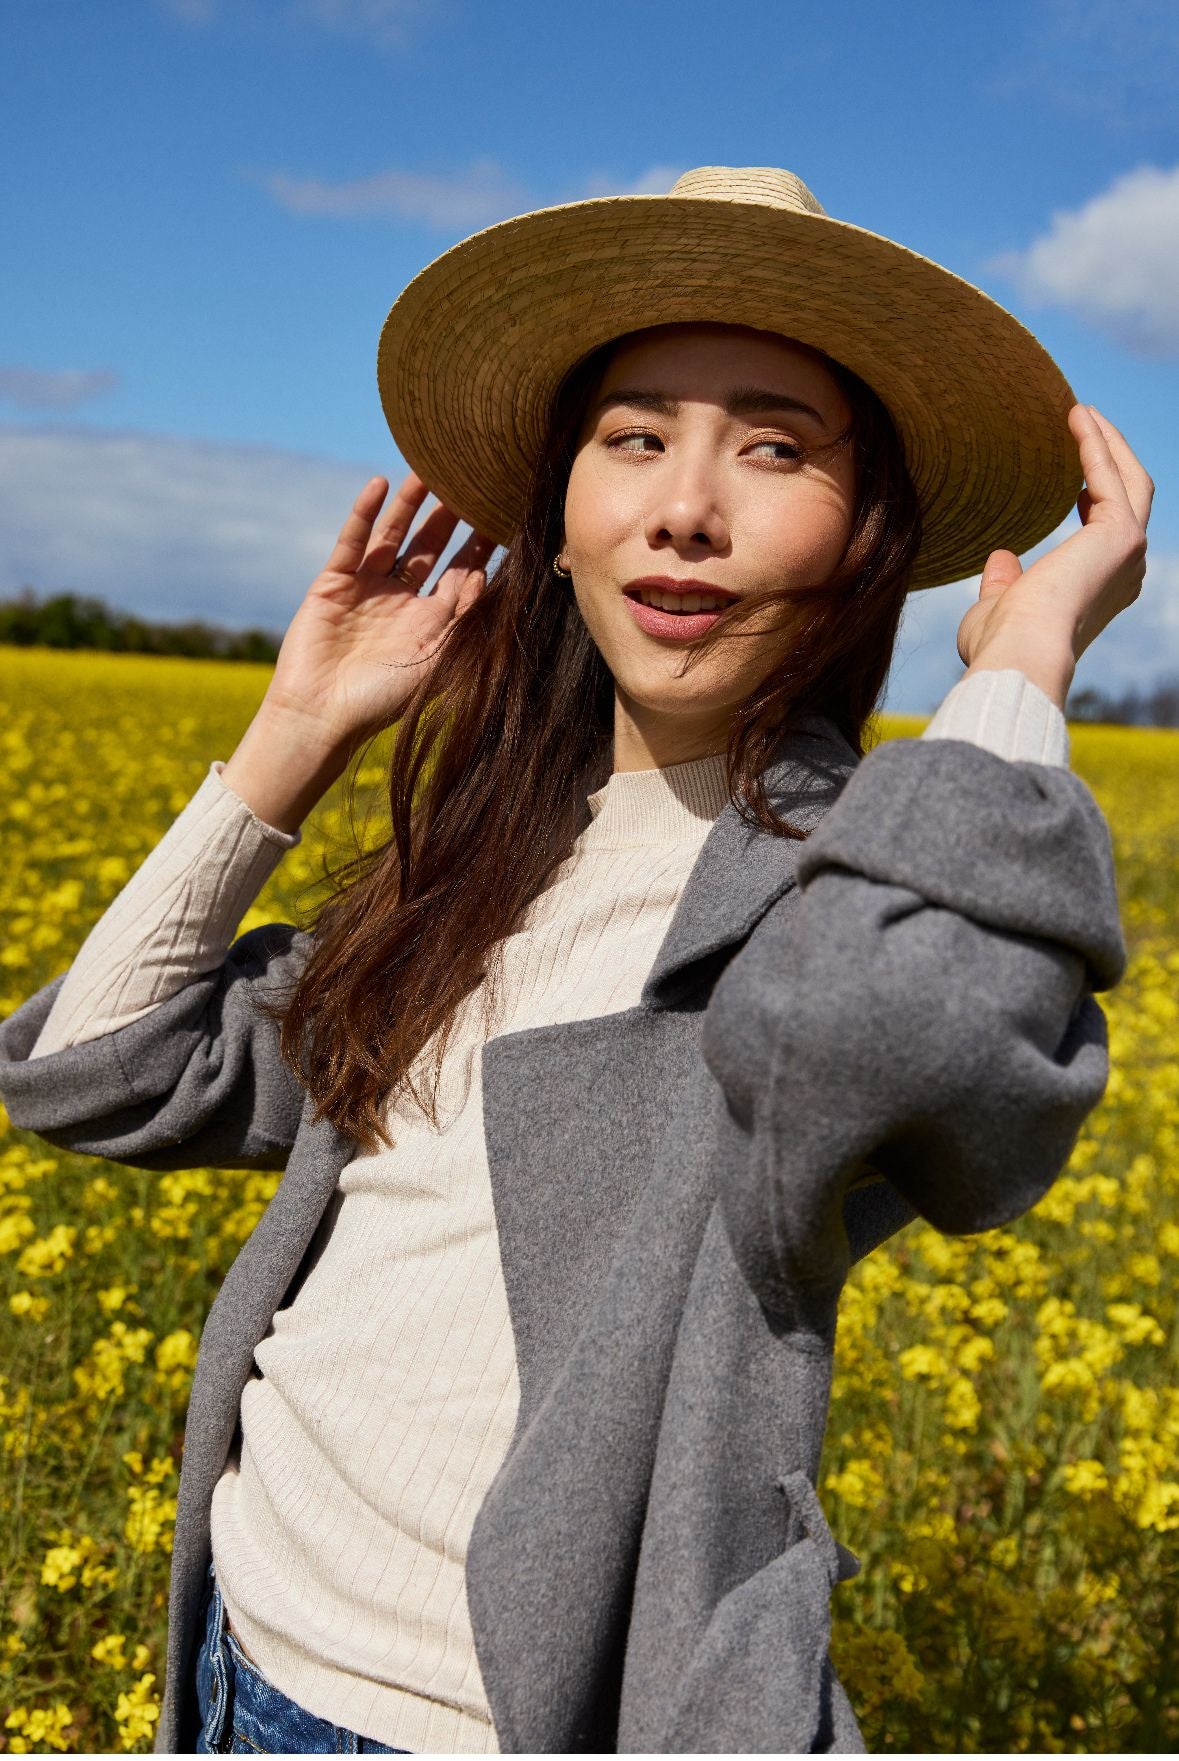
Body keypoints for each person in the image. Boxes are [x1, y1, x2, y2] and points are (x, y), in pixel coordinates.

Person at [0, 166, 1151, 1755]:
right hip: (234, 1640)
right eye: (634, 436)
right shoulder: (482, 861)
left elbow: (895, 1025)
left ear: (867, 537)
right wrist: (301, 731)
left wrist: (1024, 668)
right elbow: (86, 1074)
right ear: (554, 525)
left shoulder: (840, 876)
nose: (686, 505)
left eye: (774, 445)